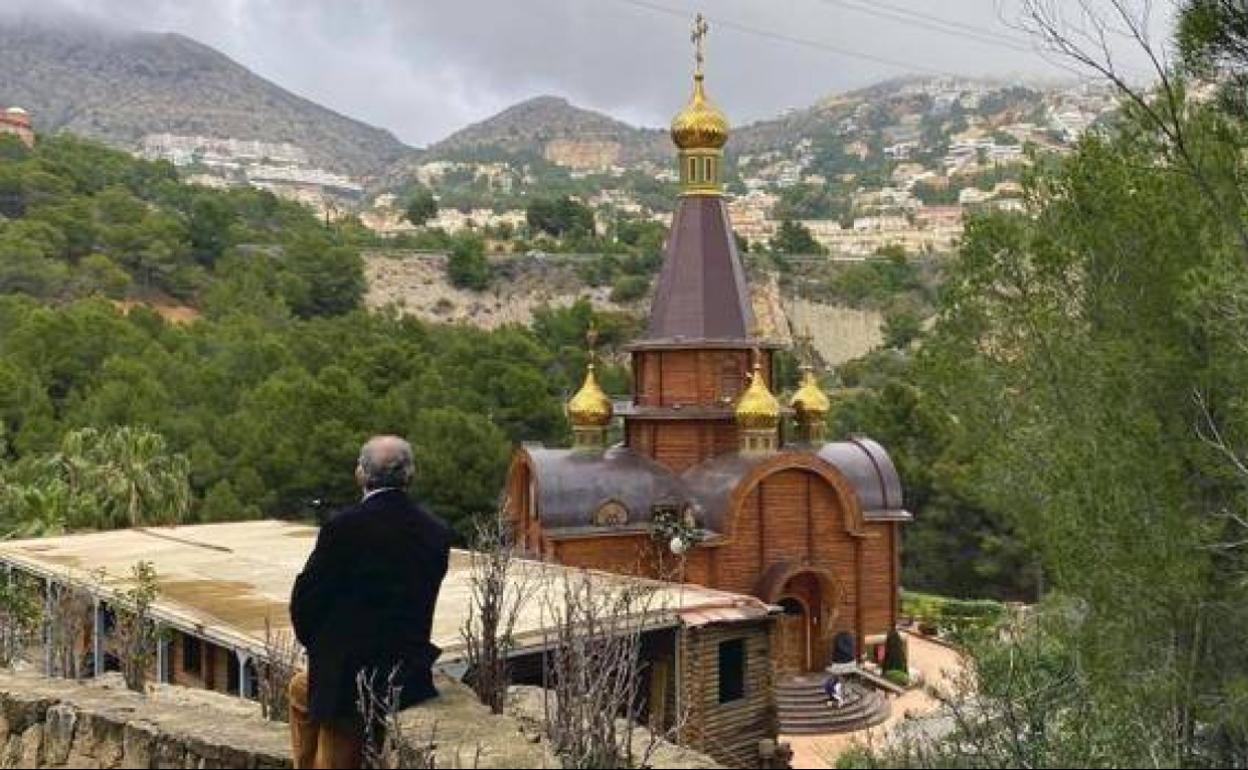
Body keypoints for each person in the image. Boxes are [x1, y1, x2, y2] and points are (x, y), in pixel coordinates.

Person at [288, 436, 452, 770]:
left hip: (349, 680)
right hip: (406, 675)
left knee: (322, 717)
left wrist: (322, 650)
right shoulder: (435, 531)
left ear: (360, 475)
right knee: (300, 688)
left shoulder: (343, 528)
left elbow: (307, 600)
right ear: (410, 476)